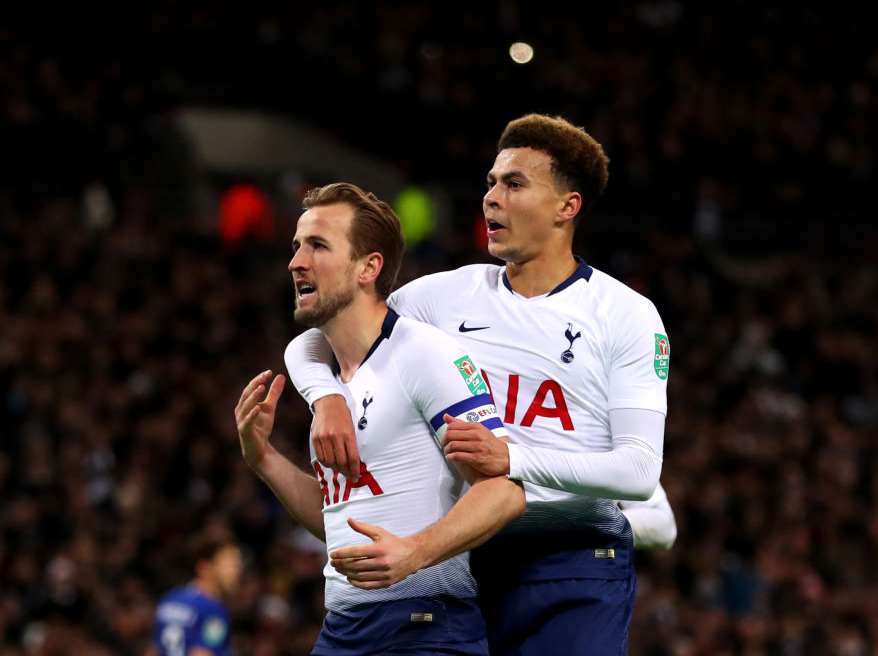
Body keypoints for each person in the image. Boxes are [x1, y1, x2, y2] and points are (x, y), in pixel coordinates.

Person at [284, 114, 670, 654]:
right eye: (491, 182)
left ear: (568, 207)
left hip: (574, 559)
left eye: (514, 184)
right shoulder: (439, 298)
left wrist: (512, 460)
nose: (491, 198)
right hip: (466, 558)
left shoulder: (627, 314)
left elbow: (637, 470)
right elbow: (323, 331)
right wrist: (324, 396)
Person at [234, 182, 526, 655]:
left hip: (424, 626)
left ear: (369, 267)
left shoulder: (426, 355)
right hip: (343, 627)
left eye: (318, 246)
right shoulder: (328, 375)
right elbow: (337, 521)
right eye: (296, 246)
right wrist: (264, 459)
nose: (296, 262)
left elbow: (505, 493)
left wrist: (416, 552)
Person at [147, 536, 242, 656]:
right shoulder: (212, 609)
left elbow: (154, 650)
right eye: (229, 564)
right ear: (205, 567)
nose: (237, 571)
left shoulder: (169, 600)